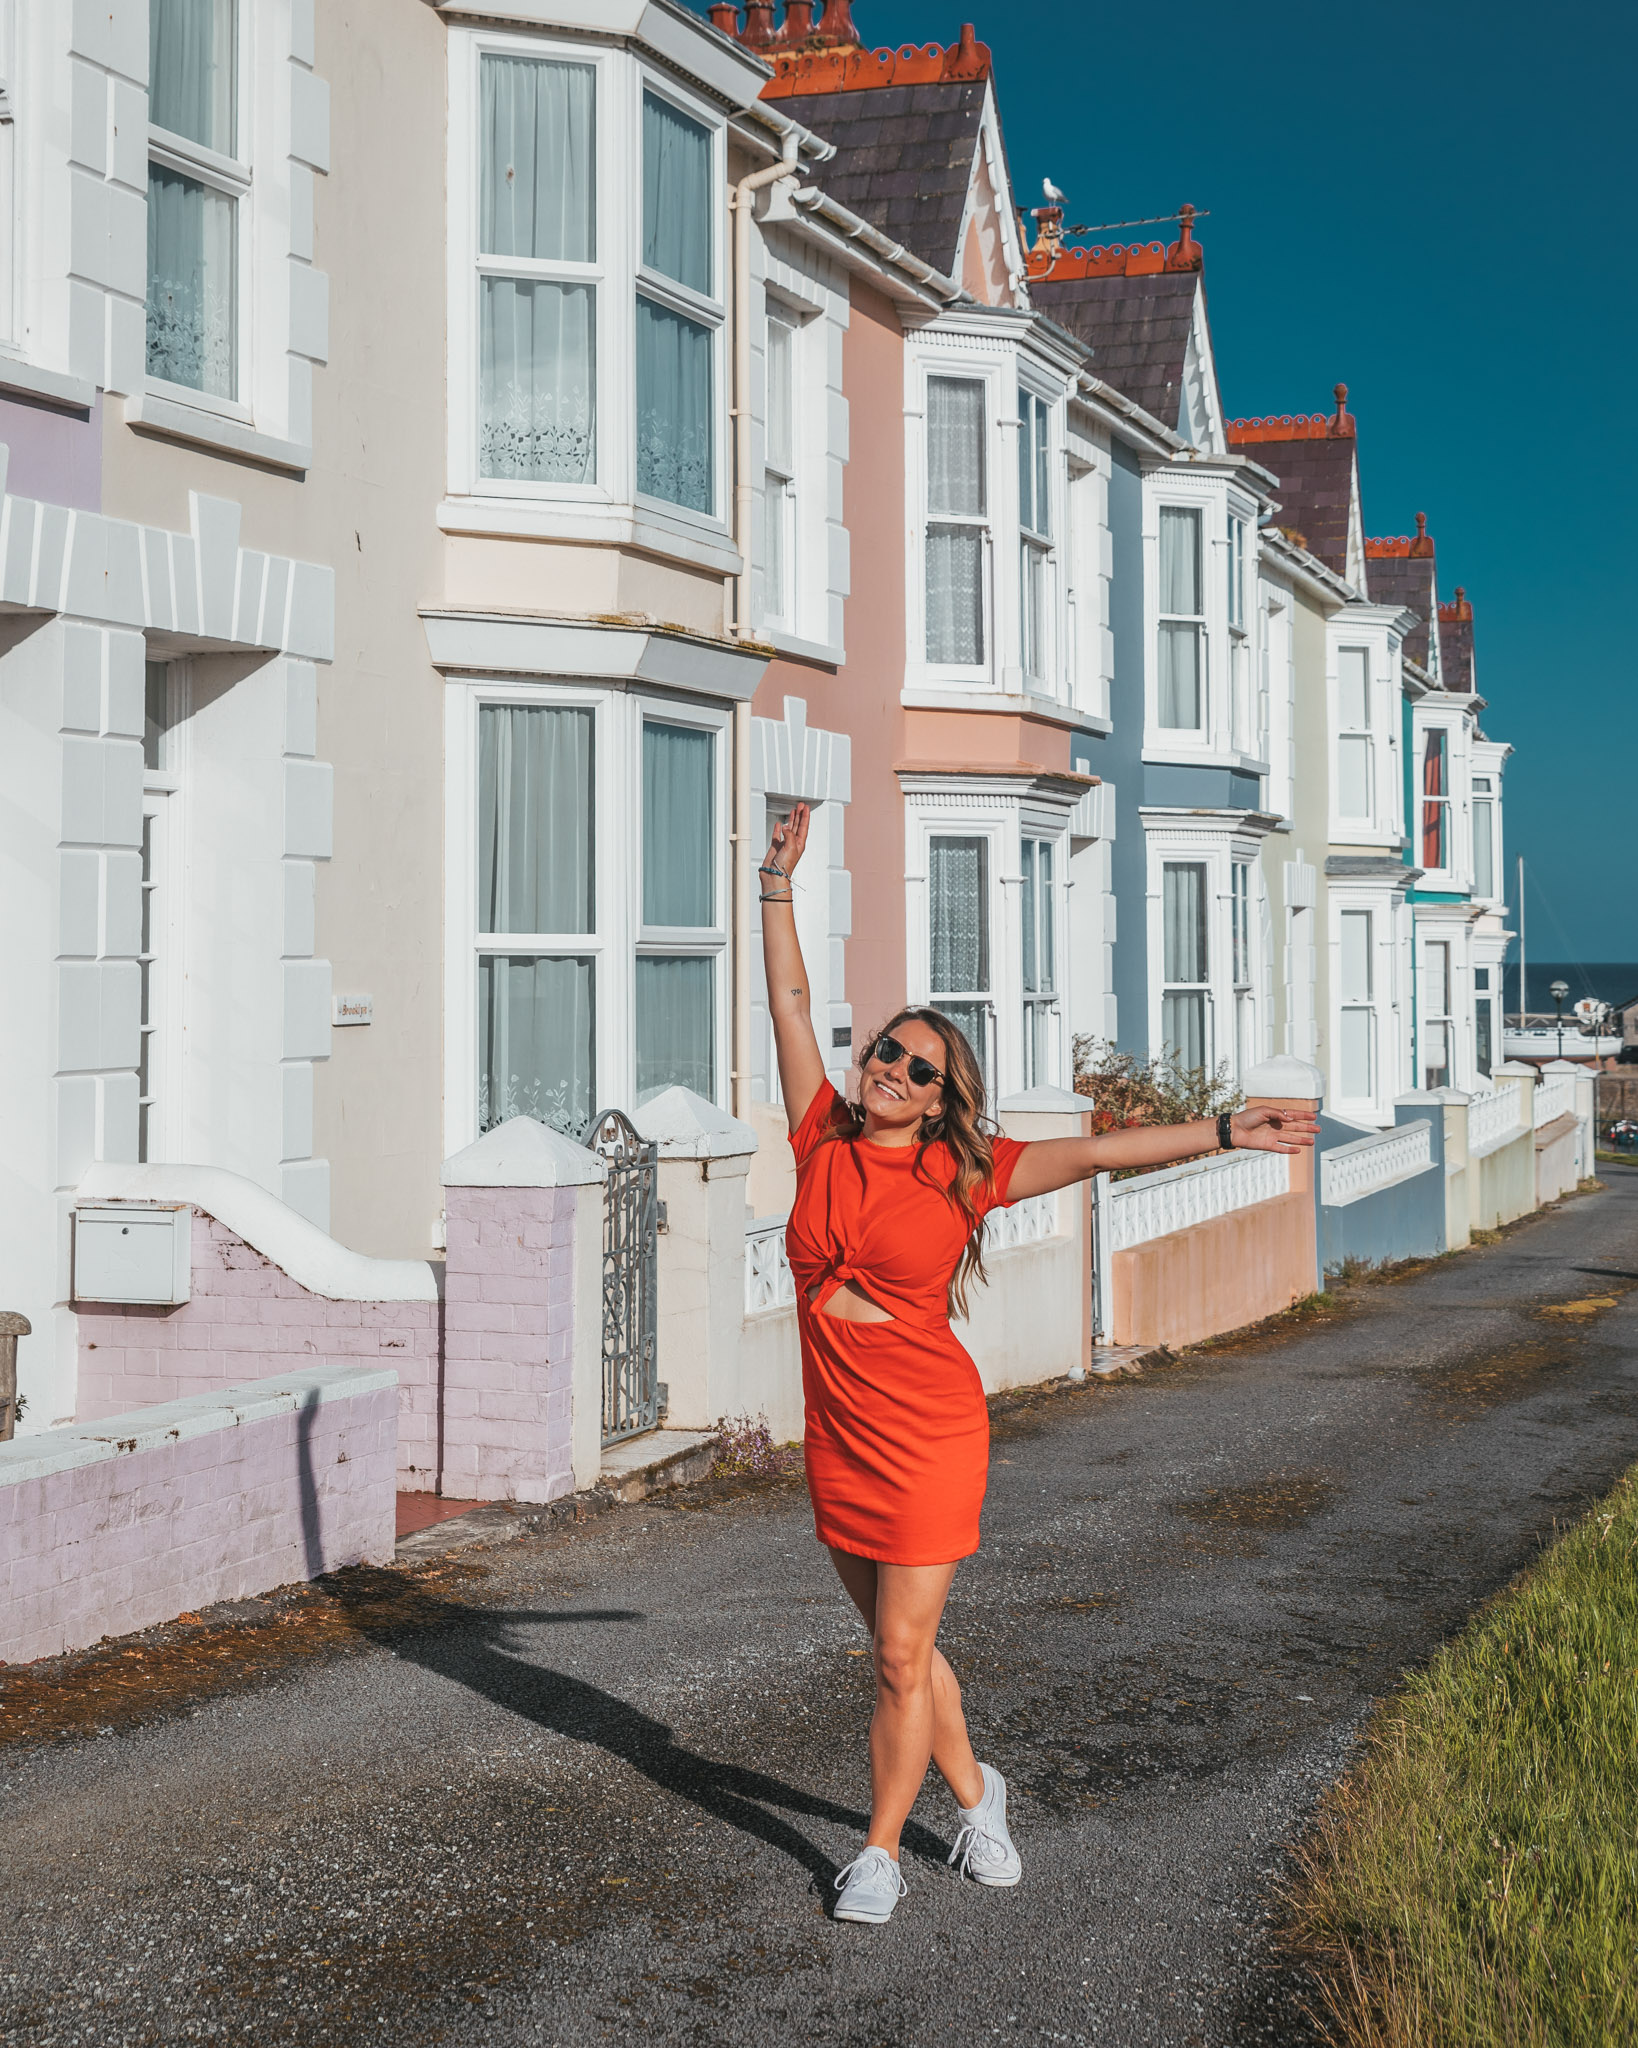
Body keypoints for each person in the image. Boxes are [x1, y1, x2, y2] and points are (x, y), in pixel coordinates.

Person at [759, 802, 1319, 1925]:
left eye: (918, 1065)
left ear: (939, 1094)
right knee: (897, 1646)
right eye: (886, 1049)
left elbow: (1104, 1147)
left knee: (899, 1653)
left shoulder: (968, 1172)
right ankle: (977, 1793)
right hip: (840, 1432)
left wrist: (1227, 1131)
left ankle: (878, 1851)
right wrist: (774, 882)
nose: (894, 1068)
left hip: (925, 1434)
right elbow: (789, 1000)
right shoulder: (818, 1129)